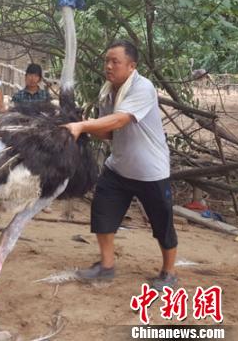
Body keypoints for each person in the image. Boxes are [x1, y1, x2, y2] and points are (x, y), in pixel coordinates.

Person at [64, 40, 178, 291]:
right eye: (107, 61)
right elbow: (109, 133)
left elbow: (119, 121)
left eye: (115, 61)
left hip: (150, 171)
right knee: (102, 214)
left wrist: (84, 126)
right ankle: (106, 266)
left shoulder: (142, 87)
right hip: (118, 167)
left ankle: (168, 273)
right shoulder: (109, 91)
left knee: (162, 223)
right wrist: (86, 127)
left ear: (131, 65)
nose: (109, 66)